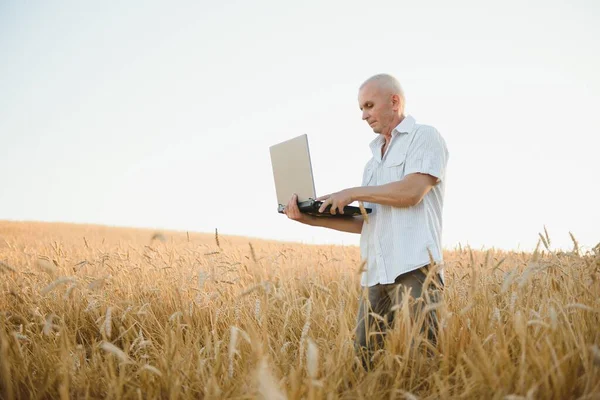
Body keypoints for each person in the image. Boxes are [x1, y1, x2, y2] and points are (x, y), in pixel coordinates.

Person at [282, 73, 449, 369]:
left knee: (423, 360)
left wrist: (352, 192)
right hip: (375, 273)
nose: (363, 116)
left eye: (369, 105)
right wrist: (310, 219)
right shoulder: (372, 162)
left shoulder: (424, 136)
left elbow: (412, 192)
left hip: (415, 268)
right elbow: (366, 222)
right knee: (363, 362)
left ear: (394, 101)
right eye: (361, 108)